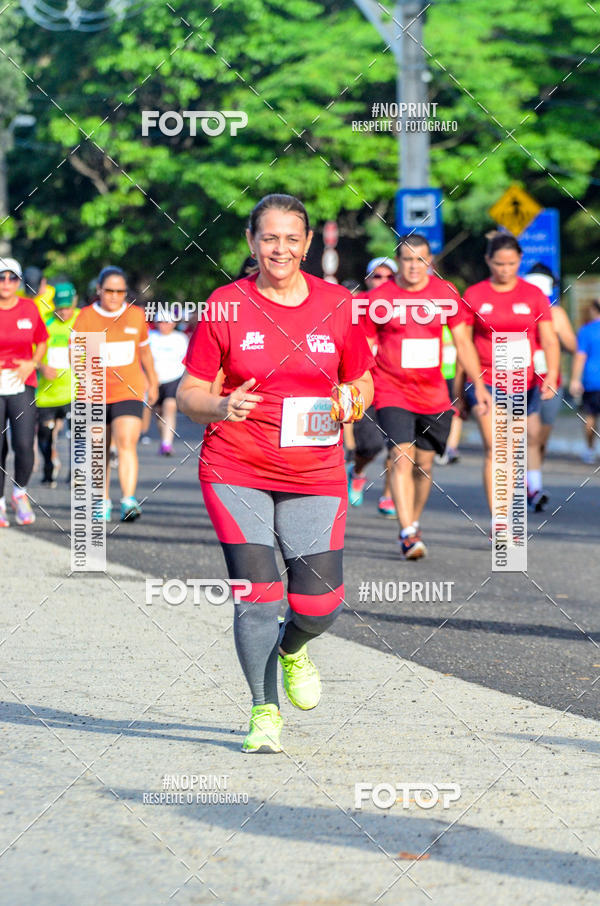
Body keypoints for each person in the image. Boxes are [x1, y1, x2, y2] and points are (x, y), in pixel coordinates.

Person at [177, 193, 374, 754]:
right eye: (269, 237)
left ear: (308, 243)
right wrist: (219, 406)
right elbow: (189, 392)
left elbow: (363, 381)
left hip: (314, 469)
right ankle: (264, 711)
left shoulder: (340, 305)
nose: (280, 248)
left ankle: (292, 648)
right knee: (258, 595)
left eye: (292, 238)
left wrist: (351, 401)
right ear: (251, 242)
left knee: (319, 603)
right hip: (235, 463)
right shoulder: (225, 305)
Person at [359, 234, 490, 559]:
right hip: (392, 388)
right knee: (400, 457)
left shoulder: (444, 293)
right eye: (407, 259)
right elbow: (364, 346)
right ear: (398, 261)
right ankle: (406, 532)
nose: (414, 266)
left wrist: (480, 385)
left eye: (420, 260)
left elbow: (463, 343)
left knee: (424, 465)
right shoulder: (381, 297)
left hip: (433, 393)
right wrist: (357, 384)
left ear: (429, 261)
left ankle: (413, 522)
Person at [457, 235, 560, 529]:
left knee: (513, 450)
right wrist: (473, 384)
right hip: (487, 380)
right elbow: (463, 341)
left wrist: (552, 373)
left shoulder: (533, 295)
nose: (505, 269)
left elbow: (549, 338)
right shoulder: (475, 295)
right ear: (488, 260)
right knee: (495, 447)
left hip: (522, 381)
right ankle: (499, 520)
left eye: (512, 264)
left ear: (520, 261)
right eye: (499, 263)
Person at [74, 266, 159, 521]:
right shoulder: (86, 317)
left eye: (120, 291)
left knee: (126, 442)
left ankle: (128, 500)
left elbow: (144, 352)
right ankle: (102, 501)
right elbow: (78, 355)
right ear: (99, 290)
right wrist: (83, 375)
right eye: (109, 290)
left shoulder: (135, 316)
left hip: (128, 389)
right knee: (99, 449)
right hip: (95, 393)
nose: (114, 296)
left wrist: (153, 382)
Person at [348, 256, 399, 517]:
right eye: (377, 276)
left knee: (398, 445)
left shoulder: (405, 308)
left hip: (396, 386)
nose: (383, 282)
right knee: (371, 445)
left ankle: (389, 495)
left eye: (389, 277)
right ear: (367, 280)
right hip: (364, 385)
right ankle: (357, 471)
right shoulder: (355, 306)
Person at [0, 257, 48, 526]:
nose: (6, 283)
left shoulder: (29, 308)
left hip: (22, 381)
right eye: (1, 277)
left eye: (12, 278)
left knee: (23, 443)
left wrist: (32, 361)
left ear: (19, 282)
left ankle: (20, 492)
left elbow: (41, 340)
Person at [524, 264, 577, 507]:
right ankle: (531, 485)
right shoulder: (517, 310)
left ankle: (531, 480)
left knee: (540, 437)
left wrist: (553, 335)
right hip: (519, 381)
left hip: (549, 382)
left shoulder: (555, 314)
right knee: (528, 435)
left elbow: (572, 345)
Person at [35, 282, 79, 487]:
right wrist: (42, 367)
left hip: (75, 391)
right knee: (44, 435)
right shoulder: (45, 323)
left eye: (67, 306)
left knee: (77, 435)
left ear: (75, 302)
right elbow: (32, 352)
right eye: (59, 307)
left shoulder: (83, 320)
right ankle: (48, 467)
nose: (63, 311)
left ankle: (76, 472)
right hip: (47, 393)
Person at [148, 311, 189, 454]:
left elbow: (187, 360)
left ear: (173, 323)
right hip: (155, 380)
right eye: (160, 322)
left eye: (167, 322)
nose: (163, 325)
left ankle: (167, 443)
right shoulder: (150, 336)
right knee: (158, 412)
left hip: (174, 378)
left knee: (169, 407)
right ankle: (164, 438)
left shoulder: (180, 338)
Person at [570, 299, 600, 464]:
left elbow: (580, 356)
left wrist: (575, 379)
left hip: (592, 380)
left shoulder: (586, 331)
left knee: (590, 416)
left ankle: (590, 450)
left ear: (594, 310)